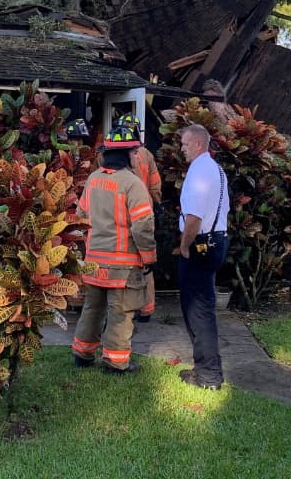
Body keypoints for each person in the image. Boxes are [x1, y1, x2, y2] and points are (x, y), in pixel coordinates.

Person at [70, 123, 157, 374]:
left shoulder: (93, 180)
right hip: (123, 266)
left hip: (94, 261)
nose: (136, 156)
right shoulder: (132, 184)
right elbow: (142, 227)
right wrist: (149, 257)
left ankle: (82, 354)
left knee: (92, 309)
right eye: (134, 152)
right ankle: (116, 363)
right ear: (128, 154)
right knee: (121, 312)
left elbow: (80, 216)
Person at [176, 122, 230, 390]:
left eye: (185, 144)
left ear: (198, 144)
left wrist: (185, 246)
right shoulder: (216, 170)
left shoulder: (199, 171)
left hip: (200, 244)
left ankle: (208, 376)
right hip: (217, 241)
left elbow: (194, 217)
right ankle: (206, 370)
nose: (182, 149)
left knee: (198, 310)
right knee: (202, 306)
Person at [117, 113, 162, 323]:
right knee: (146, 261)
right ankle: (147, 308)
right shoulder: (147, 155)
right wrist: (156, 205)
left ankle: (129, 307)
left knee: (126, 261)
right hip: (145, 214)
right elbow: (155, 186)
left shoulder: (117, 154)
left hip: (124, 214)